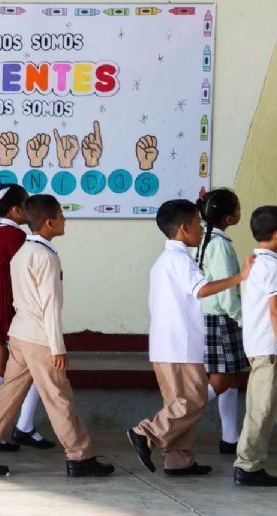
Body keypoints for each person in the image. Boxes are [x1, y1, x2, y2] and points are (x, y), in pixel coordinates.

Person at [0, 195, 113, 478]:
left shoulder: (23, 251)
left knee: (9, 393)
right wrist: (58, 347)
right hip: (40, 338)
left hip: (19, 333)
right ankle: (80, 457)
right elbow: (50, 306)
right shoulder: (46, 256)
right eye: (61, 215)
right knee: (59, 397)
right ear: (49, 222)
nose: (65, 220)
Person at [128, 199, 251, 476]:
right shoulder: (179, 260)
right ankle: (145, 433)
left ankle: (179, 460)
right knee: (193, 400)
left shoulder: (164, 260)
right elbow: (203, 289)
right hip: (180, 346)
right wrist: (240, 277)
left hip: (166, 344)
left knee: (178, 404)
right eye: (197, 224)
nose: (201, 228)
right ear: (184, 228)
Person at [0, 182, 53, 451]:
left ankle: (21, 428)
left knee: (27, 371)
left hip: (0, 307)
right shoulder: (15, 237)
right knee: (2, 371)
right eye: (27, 205)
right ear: (17, 210)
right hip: (7, 311)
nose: (30, 210)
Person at [194, 188, 247, 453]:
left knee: (230, 377)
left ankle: (230, 437)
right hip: (221, 317)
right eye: (238, 208)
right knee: (222, 380)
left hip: (209, 315)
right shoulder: (220, 246)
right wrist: (242, 320)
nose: (240, 212)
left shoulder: (205, 238)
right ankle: (171, 418)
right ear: (228, 218)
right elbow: (227, 292)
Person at [233, 206, 277, 486]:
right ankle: (247, 465)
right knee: (261, 408)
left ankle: (253, 463)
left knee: (262, 407)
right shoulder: (271, 266)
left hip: (258, 344)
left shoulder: (255, 263)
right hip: (268, 347)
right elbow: (275, 311)